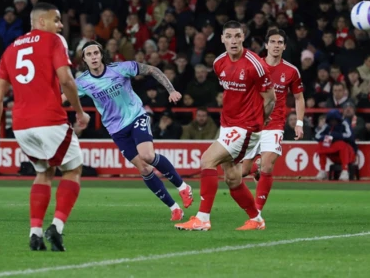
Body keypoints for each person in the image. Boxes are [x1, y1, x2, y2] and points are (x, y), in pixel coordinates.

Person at [0, 2, 91, 252]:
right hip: (49, 119)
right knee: (73, 170)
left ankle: (34, 233)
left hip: (21, 126)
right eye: (56, 20)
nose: (60, 25)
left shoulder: (10, 49)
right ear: (41, 22)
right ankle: (57, 226)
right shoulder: (53, 41)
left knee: (43, 173)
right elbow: (66, 79)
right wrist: (79, 111)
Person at [68, 41, 193, 221]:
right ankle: (174, 208)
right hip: (116, 129)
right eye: (89, 54)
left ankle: (183, 187)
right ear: (84, 59)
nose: (94, 57)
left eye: (96, 53)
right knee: (143, 168)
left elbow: (153, 70)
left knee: (147, 156)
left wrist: (171, 90)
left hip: (136, 117)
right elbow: (64, 95)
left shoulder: (121, 68)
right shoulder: (83, 82)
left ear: (101, 55)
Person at [175, 20, 276, 231]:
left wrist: (260, 120)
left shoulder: (255, 64)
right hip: (228, 125)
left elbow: (270, 98)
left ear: (243, 38)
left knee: (207, 160)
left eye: (237, 36)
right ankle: (256, 219)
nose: (233, 40)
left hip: (246, 127)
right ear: (222, 39)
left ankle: (202, 218)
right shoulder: (218, 63)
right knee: (232, 179)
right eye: (228, 36)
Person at [241, 28, 305, 212]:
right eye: (273, 42)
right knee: (243, 172)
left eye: (280, 43)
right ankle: (255, 170)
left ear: (284, 46)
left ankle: (257, 213)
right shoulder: (255, 66)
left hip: (274, 124)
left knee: (268, 166)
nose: (276, 46)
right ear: (267, 45)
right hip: (252, 124)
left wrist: (299, 124)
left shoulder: (291, 71)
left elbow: (299, 98)